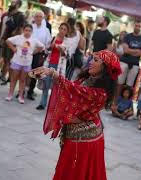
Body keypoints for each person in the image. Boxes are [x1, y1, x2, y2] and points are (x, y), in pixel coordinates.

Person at [31, 50, 121, 180]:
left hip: (84, 143)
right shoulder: (87, 78)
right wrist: (45, 77)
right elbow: (70, 90)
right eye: (91, 58)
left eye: (95, 60)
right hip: (74, 136)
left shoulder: (101, 93)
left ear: (105, 68)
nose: (90, 62)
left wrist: (52, 73)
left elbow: (74, 90)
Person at [5, 24, 44, 103]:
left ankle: (20, 96)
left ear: (32, 32)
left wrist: (34, 52)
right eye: (26, 30)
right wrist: (13, 48)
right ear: (23, 30)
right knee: (14, 79)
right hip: (17, 61)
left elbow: (42, 46)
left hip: (27, 63)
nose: (27, 32)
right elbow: (8, 41)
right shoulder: (19, 38)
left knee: (23, 80)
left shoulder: (34, 40)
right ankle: (10, 94)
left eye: (29, 31)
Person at [36, 23, 69, 110]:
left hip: (59, 66)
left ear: (66, 31)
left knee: (56, 86)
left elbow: (66, 55)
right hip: (49, 63)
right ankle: (42, 103)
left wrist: (61, 49)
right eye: (61, 28)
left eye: (64, 29)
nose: (62, 31)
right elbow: (47, 49)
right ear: (58, 29)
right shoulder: (53, 38)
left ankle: (53, 106)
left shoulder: (67, 41)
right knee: (46, 84)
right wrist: (52, 45)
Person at [0, 0, 25, 86]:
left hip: (14, 41)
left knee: (11, 61)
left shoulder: (21, 15)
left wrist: (17, 40)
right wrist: (3, 38)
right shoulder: (10, 14)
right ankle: (3, 76)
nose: (11, 3)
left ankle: (10, 79)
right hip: (7, 39)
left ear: (18, 5)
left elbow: (21, 29)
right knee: (6, 59)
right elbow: (7, 28)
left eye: (14, 2)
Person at [26, 10, 51, 100]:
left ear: (43, 18)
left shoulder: (46, 30)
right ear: (34, 18)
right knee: (25, 72)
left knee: (34, 73)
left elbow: (48, 43)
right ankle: (22, 90)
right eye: (36, 16)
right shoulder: (31, 27)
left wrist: (39, 49)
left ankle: (30, 91)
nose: (38, 18)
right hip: (28, 52)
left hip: (39, 54)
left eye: (40, 17)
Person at [118, 19, 141, 88]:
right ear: (133, 26)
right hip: (124, 61)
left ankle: (125, 99)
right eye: (136, 26)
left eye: (139, 26)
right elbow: (125, 51)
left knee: (129, 85)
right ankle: (116, 98)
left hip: (135, 63)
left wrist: (130, 50)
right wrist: (137, 50)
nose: (137, 27)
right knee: (119, 83)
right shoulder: (127, 36)